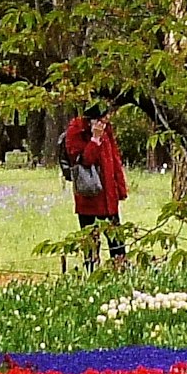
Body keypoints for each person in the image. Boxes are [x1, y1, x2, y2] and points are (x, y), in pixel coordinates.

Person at [61, 112, 129, 267]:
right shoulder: (77, 130)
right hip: (89, 198)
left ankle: (119, 272)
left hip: (109, 198)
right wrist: (95, 139)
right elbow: (84, 161)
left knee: (117, 242)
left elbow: (114, 160)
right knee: (91, 244)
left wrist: (120, 189)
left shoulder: (107, 129)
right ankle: (92, 276)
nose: (108, 118)